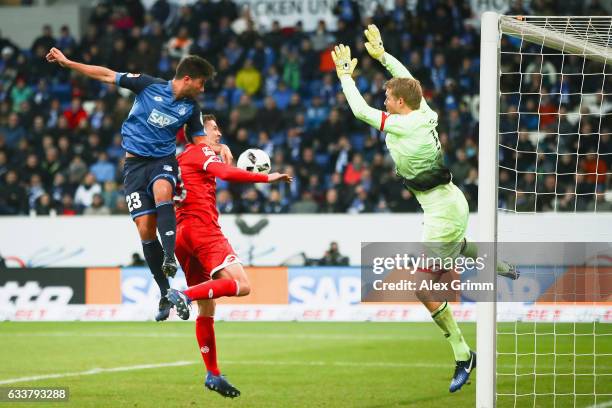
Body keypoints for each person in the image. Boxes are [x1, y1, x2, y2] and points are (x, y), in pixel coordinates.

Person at [331, 25, 519, 393]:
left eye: (388, 97)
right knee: (456, 248)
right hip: (448, 201)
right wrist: (383, 56)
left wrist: (344, 77)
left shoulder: (402, 125)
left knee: (420, 286)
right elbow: (407, 79)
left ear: (400, 104)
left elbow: (359, 111)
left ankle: (463, 353)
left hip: (443, 211)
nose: (385, 100)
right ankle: (501, 264)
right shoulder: (424, 109)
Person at [46, 47, 225, 321]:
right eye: (201, 83)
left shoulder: (192, 109)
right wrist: (68, 63)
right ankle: (166, 293)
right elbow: (106, 75)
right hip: (134, 166)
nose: (202, 89)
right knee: (144, 229)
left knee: (163, 190)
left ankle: (169, 257)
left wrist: (219, 149)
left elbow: (200, 142)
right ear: (188, 78)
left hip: (162, 160)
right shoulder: (147, 85)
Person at [165, 114, 291, 397]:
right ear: (199, 132)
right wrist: (264, 177)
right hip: (202, 230)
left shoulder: (184, 158)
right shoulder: (200, 150)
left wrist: (226, 163)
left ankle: (212, 373)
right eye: (213, 129)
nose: (219, 134)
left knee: (207, 307)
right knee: (242, 285)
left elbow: (212, 180)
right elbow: (222, 175)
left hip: (183, 233)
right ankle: (183, 295)